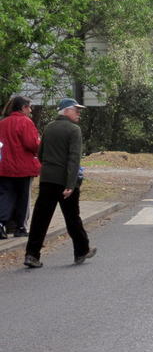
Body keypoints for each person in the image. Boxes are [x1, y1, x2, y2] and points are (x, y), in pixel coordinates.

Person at [24, 98, 96, 268]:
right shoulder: (74, 130)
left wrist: (49, 168)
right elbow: (73, 159)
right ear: (66, 111)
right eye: (76, 110)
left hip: (48, 178)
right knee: (72, 218)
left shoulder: (49, 128)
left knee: (40, 218)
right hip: (65, 181)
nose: (78, 113)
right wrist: (71, 184)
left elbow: (40, 154)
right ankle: (81, 250)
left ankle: (31, 254)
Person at [0, 96, 41, 239]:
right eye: (29, 107)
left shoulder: (3, 123)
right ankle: (20, 227)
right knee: (23, 198)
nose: (30, 110)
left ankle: (1, 224)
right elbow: (32, 144)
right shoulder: (26, 122)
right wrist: (39, 143)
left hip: (4, 167)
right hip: (23, 167)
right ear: (23, 107)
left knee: (5, 196)